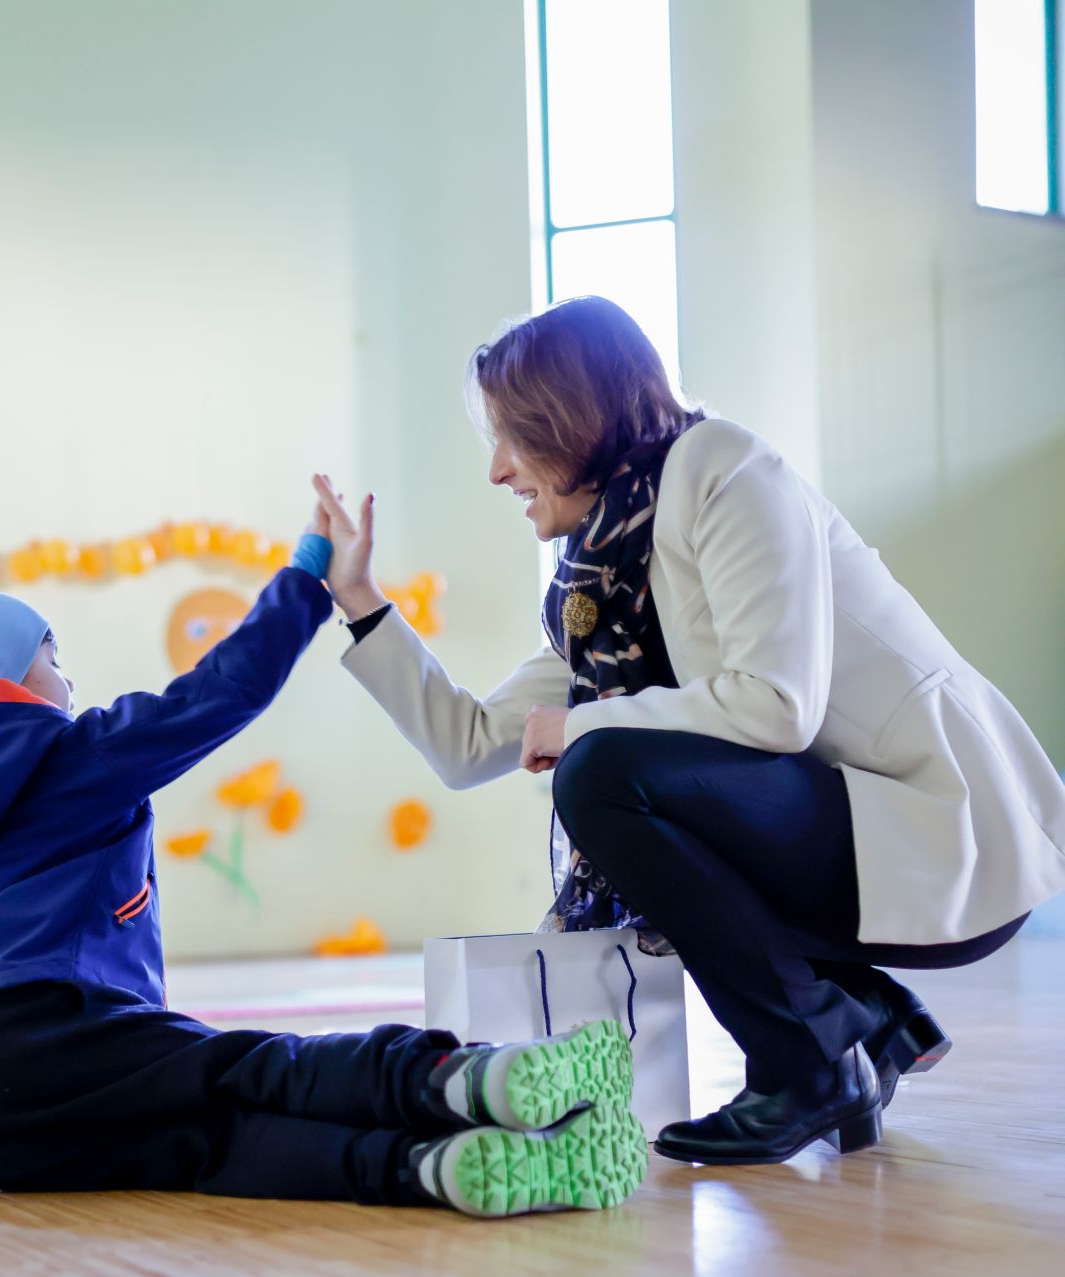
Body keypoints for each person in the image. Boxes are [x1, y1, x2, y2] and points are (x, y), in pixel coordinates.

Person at [316, 296, 1065, 1166]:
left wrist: (582, 724)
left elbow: (775, 704)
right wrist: (359, 601)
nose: (497, 471)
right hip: (854, 841)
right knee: (604, 764)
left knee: (601, 772)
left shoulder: (722, 467)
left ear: (572, 419)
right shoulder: (607, 593)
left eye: (512, 436)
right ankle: (856, 1021)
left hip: (944, 832)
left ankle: (812, 1061)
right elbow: (470, 745)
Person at [0, 522, 645, 1217]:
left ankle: (423, 1168)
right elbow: (221, 690)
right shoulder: (74, 755)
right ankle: (457, 1079)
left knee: (204, 1144)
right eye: (52, 660)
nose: (69, 680)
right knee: (251, 1070)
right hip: (36, 1030)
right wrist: (303, 579)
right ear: (0, 677)